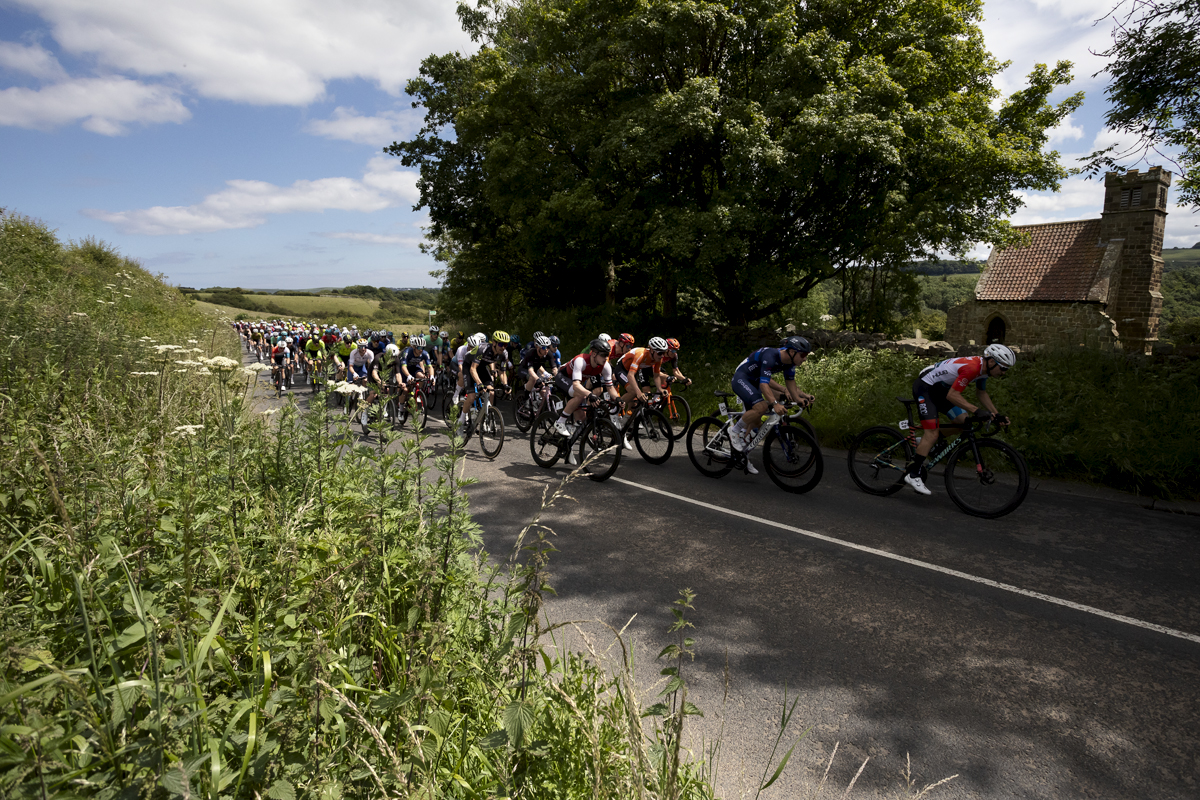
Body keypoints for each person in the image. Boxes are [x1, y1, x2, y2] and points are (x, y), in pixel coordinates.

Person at [904, 343, 1014, 495]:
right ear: (991, 361)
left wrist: (996, 414)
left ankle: (926, 443)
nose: (1004, 372)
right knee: (932, 432)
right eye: (1003, 368)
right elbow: (953, 396)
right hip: (925, 387)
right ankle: (913, 474)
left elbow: (981, 393)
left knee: (964, 422)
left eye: (1006, 369)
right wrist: (977, 410)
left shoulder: (984, 370)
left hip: (941, 390)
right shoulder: (973, 368)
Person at [729, 336, 815, 474]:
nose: (805, 358)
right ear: (792, 352)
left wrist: (800, 399)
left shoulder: (789, 363)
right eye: (803, 355)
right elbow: (764, 384)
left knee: (757, 422)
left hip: (754, 382)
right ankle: (734, 431)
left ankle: (743, 454)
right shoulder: (771, 355)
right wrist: (774, 404)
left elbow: (790, 385)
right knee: (762, 407)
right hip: (742, 378)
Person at [553, 338, 622, 464]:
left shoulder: (605, 366)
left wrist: (617, 398)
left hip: (577, 383)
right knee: (580, 396)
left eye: (607, 355)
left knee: (582, 419)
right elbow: (576, 386)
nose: (606, 358)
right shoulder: (581, 361)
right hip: (563, 377)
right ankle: (560, 421)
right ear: (594, 354)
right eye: (603, 355)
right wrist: (590, 395)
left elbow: (610, 387)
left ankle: (568, 447)